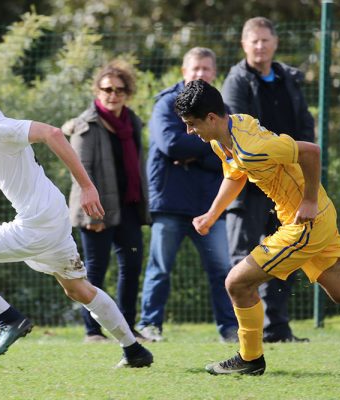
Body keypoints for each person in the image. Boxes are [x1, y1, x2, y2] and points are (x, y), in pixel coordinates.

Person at [0, 65, 153, 368]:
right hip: (52, 216)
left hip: (37, 224)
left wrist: (87, 187)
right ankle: (134, 351)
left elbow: (52, 133)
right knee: (78, 289)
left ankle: (9, 319)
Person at [174, 79, 340, 375]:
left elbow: (310, 151)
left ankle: (250, 359)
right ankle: (250, 360)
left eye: (192, 124)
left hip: (306, 221)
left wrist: (308, 201)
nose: (189, 131)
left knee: (237, 282)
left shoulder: (253, 147)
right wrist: (211, 215)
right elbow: (236, 176)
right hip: (311, 217)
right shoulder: (225, 135)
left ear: (211, 118)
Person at [221, 16, 315, 343]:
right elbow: (241, 133)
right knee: (244, 257)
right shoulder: (235, 81)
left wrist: (303, 173)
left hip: (287, 186)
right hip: (250, 185)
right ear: (244, 45)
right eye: (254, 41)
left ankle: (278, 329)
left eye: (265, 40)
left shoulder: (288, 78)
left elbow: (304, 124)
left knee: (283, 256)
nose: (260, 46)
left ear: (275, 43)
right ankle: (245, 331)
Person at [136, 47, 237, 343]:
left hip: (209, 205)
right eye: (195, 68)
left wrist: (197, 154)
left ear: (214, 73)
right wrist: (208, 149)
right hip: (170, 203)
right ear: (184, 72)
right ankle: (150, 325)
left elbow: (229, 151)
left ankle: (230, 329)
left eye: (206, 69)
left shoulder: (220, 107)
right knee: (159, 268)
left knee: (222, 270)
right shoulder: (167, 103)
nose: (201, 74)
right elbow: (171, 145)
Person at [62, 60, 151, 343]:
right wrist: (93, 216)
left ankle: (128, 329)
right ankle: (92, 331)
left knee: (132, 267)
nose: (113, 94)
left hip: (128, 208)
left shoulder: (132, 121)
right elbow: (80, 171)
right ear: (97, 91)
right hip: (96, 212)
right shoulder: (85, 125)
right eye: (107, 89)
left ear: (128, 92)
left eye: (120, 90)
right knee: (94, 271)